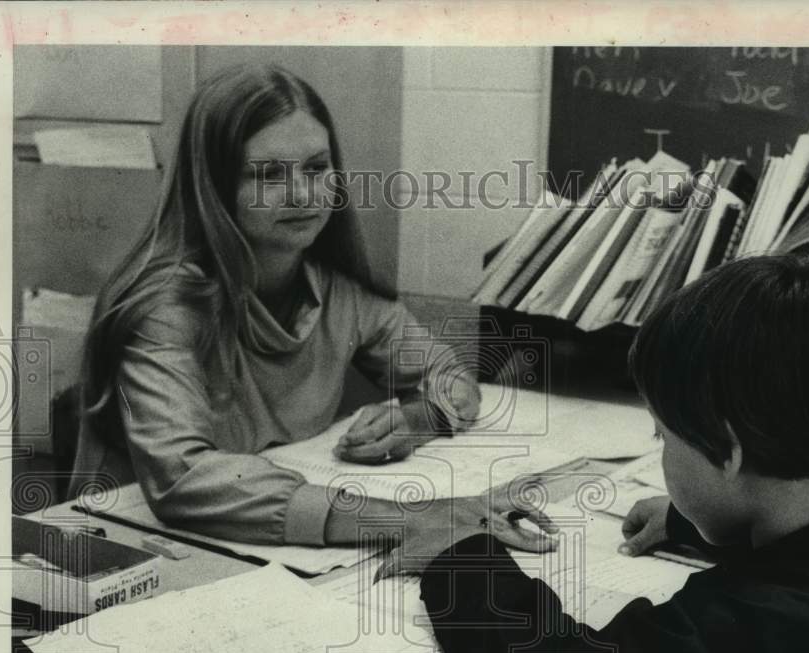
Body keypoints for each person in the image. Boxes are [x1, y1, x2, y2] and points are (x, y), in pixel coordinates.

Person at [377, 253, 809, 653]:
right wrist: (690, 522)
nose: (662, 451)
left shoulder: (743, 633)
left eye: (663, 437)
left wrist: (463, 559)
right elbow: (806, 559)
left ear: (727, 450)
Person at [69, 64, 545, 549]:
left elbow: (451, 380)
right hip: (125, 552)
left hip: (264, 550)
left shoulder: (337, 287)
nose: (303, 194)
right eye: (268, 174)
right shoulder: (164, 306)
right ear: (212, 187)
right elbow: (183, 478)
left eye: (316, 168)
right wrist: (411, 517)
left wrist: (419, 421)